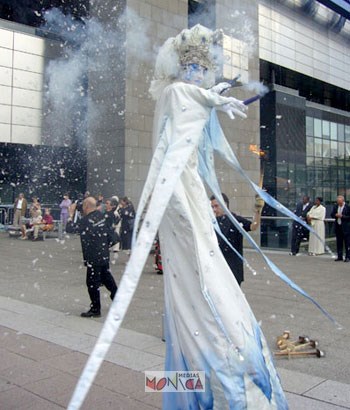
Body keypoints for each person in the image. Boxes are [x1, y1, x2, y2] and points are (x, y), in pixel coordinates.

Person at [69, 25, 289, 409]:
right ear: (181, 69)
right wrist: (210, 99)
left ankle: (199, 383)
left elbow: (193, 108)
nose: (196, 76)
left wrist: (213, 99)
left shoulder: (186, 100)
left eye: (201, 71)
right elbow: (184, 97)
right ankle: (214, 386)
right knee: (199, 288)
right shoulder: (175, 94)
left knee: (205, 288)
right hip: (179, 200)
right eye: (192, 69)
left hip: (188, 198)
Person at [66, 197, 118, 317]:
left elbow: (70, 228)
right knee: (106, 278)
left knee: (92, 283)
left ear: (87, 206)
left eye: (83, 206)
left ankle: (95, 309)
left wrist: (70, 215)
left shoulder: (86, 221)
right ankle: (118, 299)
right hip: (104, 255)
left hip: (94, 257)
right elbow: (110, 234)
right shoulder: (101, 216)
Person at [211, 193, 264, 286]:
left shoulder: (235, 220)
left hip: (233, 268)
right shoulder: (211, 222)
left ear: (225, 205)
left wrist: (258, 210)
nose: (214, 210)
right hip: (217, 267)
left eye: (216, 206)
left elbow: (253, 226)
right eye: (212, 207)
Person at [331, 195, 350, 262]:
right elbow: (332, 214)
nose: (339, 203)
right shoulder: (336, 206)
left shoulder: (347, 207)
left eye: (340, 202)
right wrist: (335, 215)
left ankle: (348, 256)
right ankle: (340, 256)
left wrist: (342, 216)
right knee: (339, 242)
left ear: (343, 201)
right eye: (338, 202)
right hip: (338, 227)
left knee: (347, 243)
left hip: (346, 227)